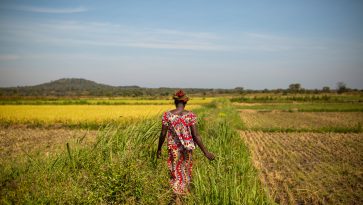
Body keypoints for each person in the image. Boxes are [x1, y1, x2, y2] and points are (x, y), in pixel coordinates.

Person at [157, 89, 215, 197]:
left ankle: (176, 196)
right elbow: (196, 136)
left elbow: (163, 134)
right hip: (187, 149)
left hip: (173, 149)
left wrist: (159, 149)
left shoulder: (167, 116)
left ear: (175, 102)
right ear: (185, 102)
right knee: (185, 171)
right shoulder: (191, 116)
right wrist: (206, 153)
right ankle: (184, 195)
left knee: (175, 172)